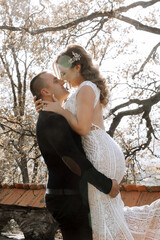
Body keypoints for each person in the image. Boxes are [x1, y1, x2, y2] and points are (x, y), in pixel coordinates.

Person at [37, 45, 160, 240]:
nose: (62, 78)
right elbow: (66, 126)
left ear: (77, 67)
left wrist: (59, 110)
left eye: (64, 72)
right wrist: (51, 107)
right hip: (101, 151)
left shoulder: (86, 87)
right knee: (111, 219)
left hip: (99, 152)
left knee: (102, 222)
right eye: (58, 76)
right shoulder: (81, 90)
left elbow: (83, 128)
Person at [30, 72, 120, 240]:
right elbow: (72, 160)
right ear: (46, 92)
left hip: (70, 197)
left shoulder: (55, 115)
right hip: (67, 199)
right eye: (56, 81)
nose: (63, 81)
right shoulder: (51, 119)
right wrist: (106, 185)